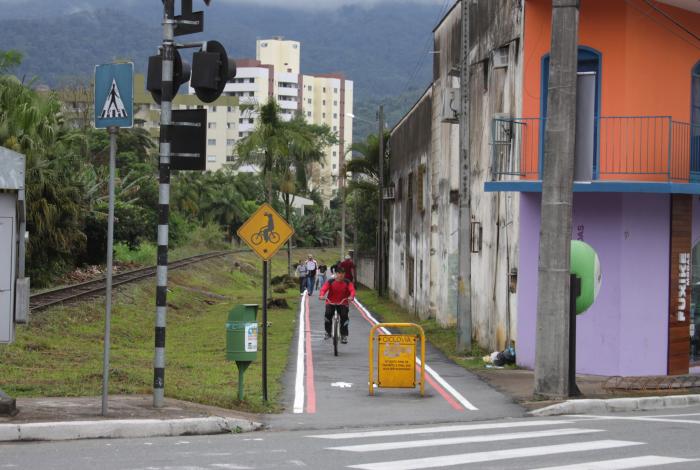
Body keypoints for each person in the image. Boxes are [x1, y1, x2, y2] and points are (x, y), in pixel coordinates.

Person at [318, 267, 356, 344]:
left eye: (342, 273)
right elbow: (324, 289)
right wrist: (321, 295)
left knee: (344, 317)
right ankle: (328, 332)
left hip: (343, 303)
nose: (340, 275)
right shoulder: (331, 281)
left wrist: (351, 296)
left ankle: (344, 335)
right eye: (339, 273)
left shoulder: (347, 282)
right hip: (330, 302)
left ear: (344, 274)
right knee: (328, 315)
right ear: (336, 274)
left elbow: (352, 290)